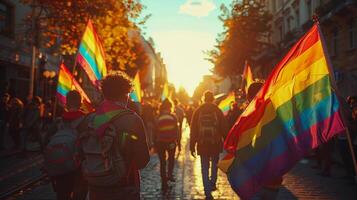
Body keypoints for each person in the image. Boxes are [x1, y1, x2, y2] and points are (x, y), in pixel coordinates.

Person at [82, 72, 149, 200]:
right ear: (125, 95)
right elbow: (142, 160)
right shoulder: (132, 120)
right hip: (124, 186)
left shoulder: (90, 119)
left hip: (96, 186)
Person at [46, 90, 87, 200]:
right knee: (79, 195)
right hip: (79, 168)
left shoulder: (58, 122)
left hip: (60, 166)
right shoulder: (87, 121)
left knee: (62, 195)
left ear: (66, 104)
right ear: (80, 103)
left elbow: (46, 143)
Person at [190, 91, 228, 199]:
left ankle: (207, 192)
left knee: (204, 168)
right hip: (215, 143)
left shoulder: (198, 111)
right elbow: (224, 127)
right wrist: (228, 141)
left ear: (203, 98)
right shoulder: (217, 110)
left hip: (202, 145)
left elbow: (193, 130)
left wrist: (192, 146)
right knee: (215, 165)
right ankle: (212, 183)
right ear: (213, 99)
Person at [155, 99, 179, 191]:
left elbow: (155, 131)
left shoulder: (158, 117)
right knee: (171, 159)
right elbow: (176, 131)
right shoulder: (173, 117)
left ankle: (164, 182)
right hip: (171, 142)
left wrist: (154, 142)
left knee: (162, 162)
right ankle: (169, 174)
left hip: (160, 142)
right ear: (170, 107)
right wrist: (176, 140)